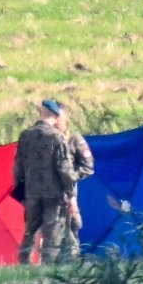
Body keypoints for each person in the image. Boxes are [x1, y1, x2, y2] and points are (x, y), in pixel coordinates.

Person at [12, 99, 77, 265]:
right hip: (53, 194)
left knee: (30, 230)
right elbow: (64, 168)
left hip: (31, 192)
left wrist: (20, 191)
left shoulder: (25, 136)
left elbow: (18, 166)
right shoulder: (57, 137)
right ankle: (48, 267)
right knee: (52, 232)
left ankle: (24, 263)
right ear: (55, 117)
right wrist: (70, 194)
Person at [57, 104, 94, 260]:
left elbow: (88, 166)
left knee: (71, 232)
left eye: (58, 117)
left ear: (66, 118)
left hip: (68, 195)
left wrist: (70, 176)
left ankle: (71, 269)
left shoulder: (74, 139)